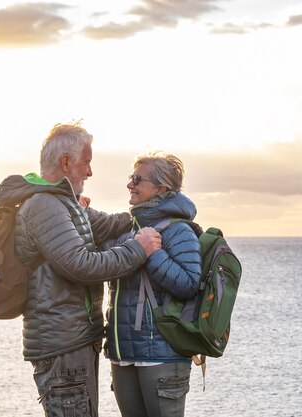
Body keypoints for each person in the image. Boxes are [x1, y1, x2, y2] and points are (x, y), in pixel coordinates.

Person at [0, 123, 163, 417]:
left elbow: (109, 224)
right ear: (66, 162)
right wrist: (140, 248)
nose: (89, 172)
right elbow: (81, 265)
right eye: (86, 162)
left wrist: (163, 210)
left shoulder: (64, 203)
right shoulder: (44, 205)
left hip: (74, 342)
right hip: (62, 347)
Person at [102, 152, 202, 417]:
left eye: (137, 179)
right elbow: (103, 261)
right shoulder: (128, 228)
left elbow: (189, 283)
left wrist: (153, 253)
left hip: (163, 356)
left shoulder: (179, 230)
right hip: (124, 354)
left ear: (161, 188)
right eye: (130, 178)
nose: (130, 185)